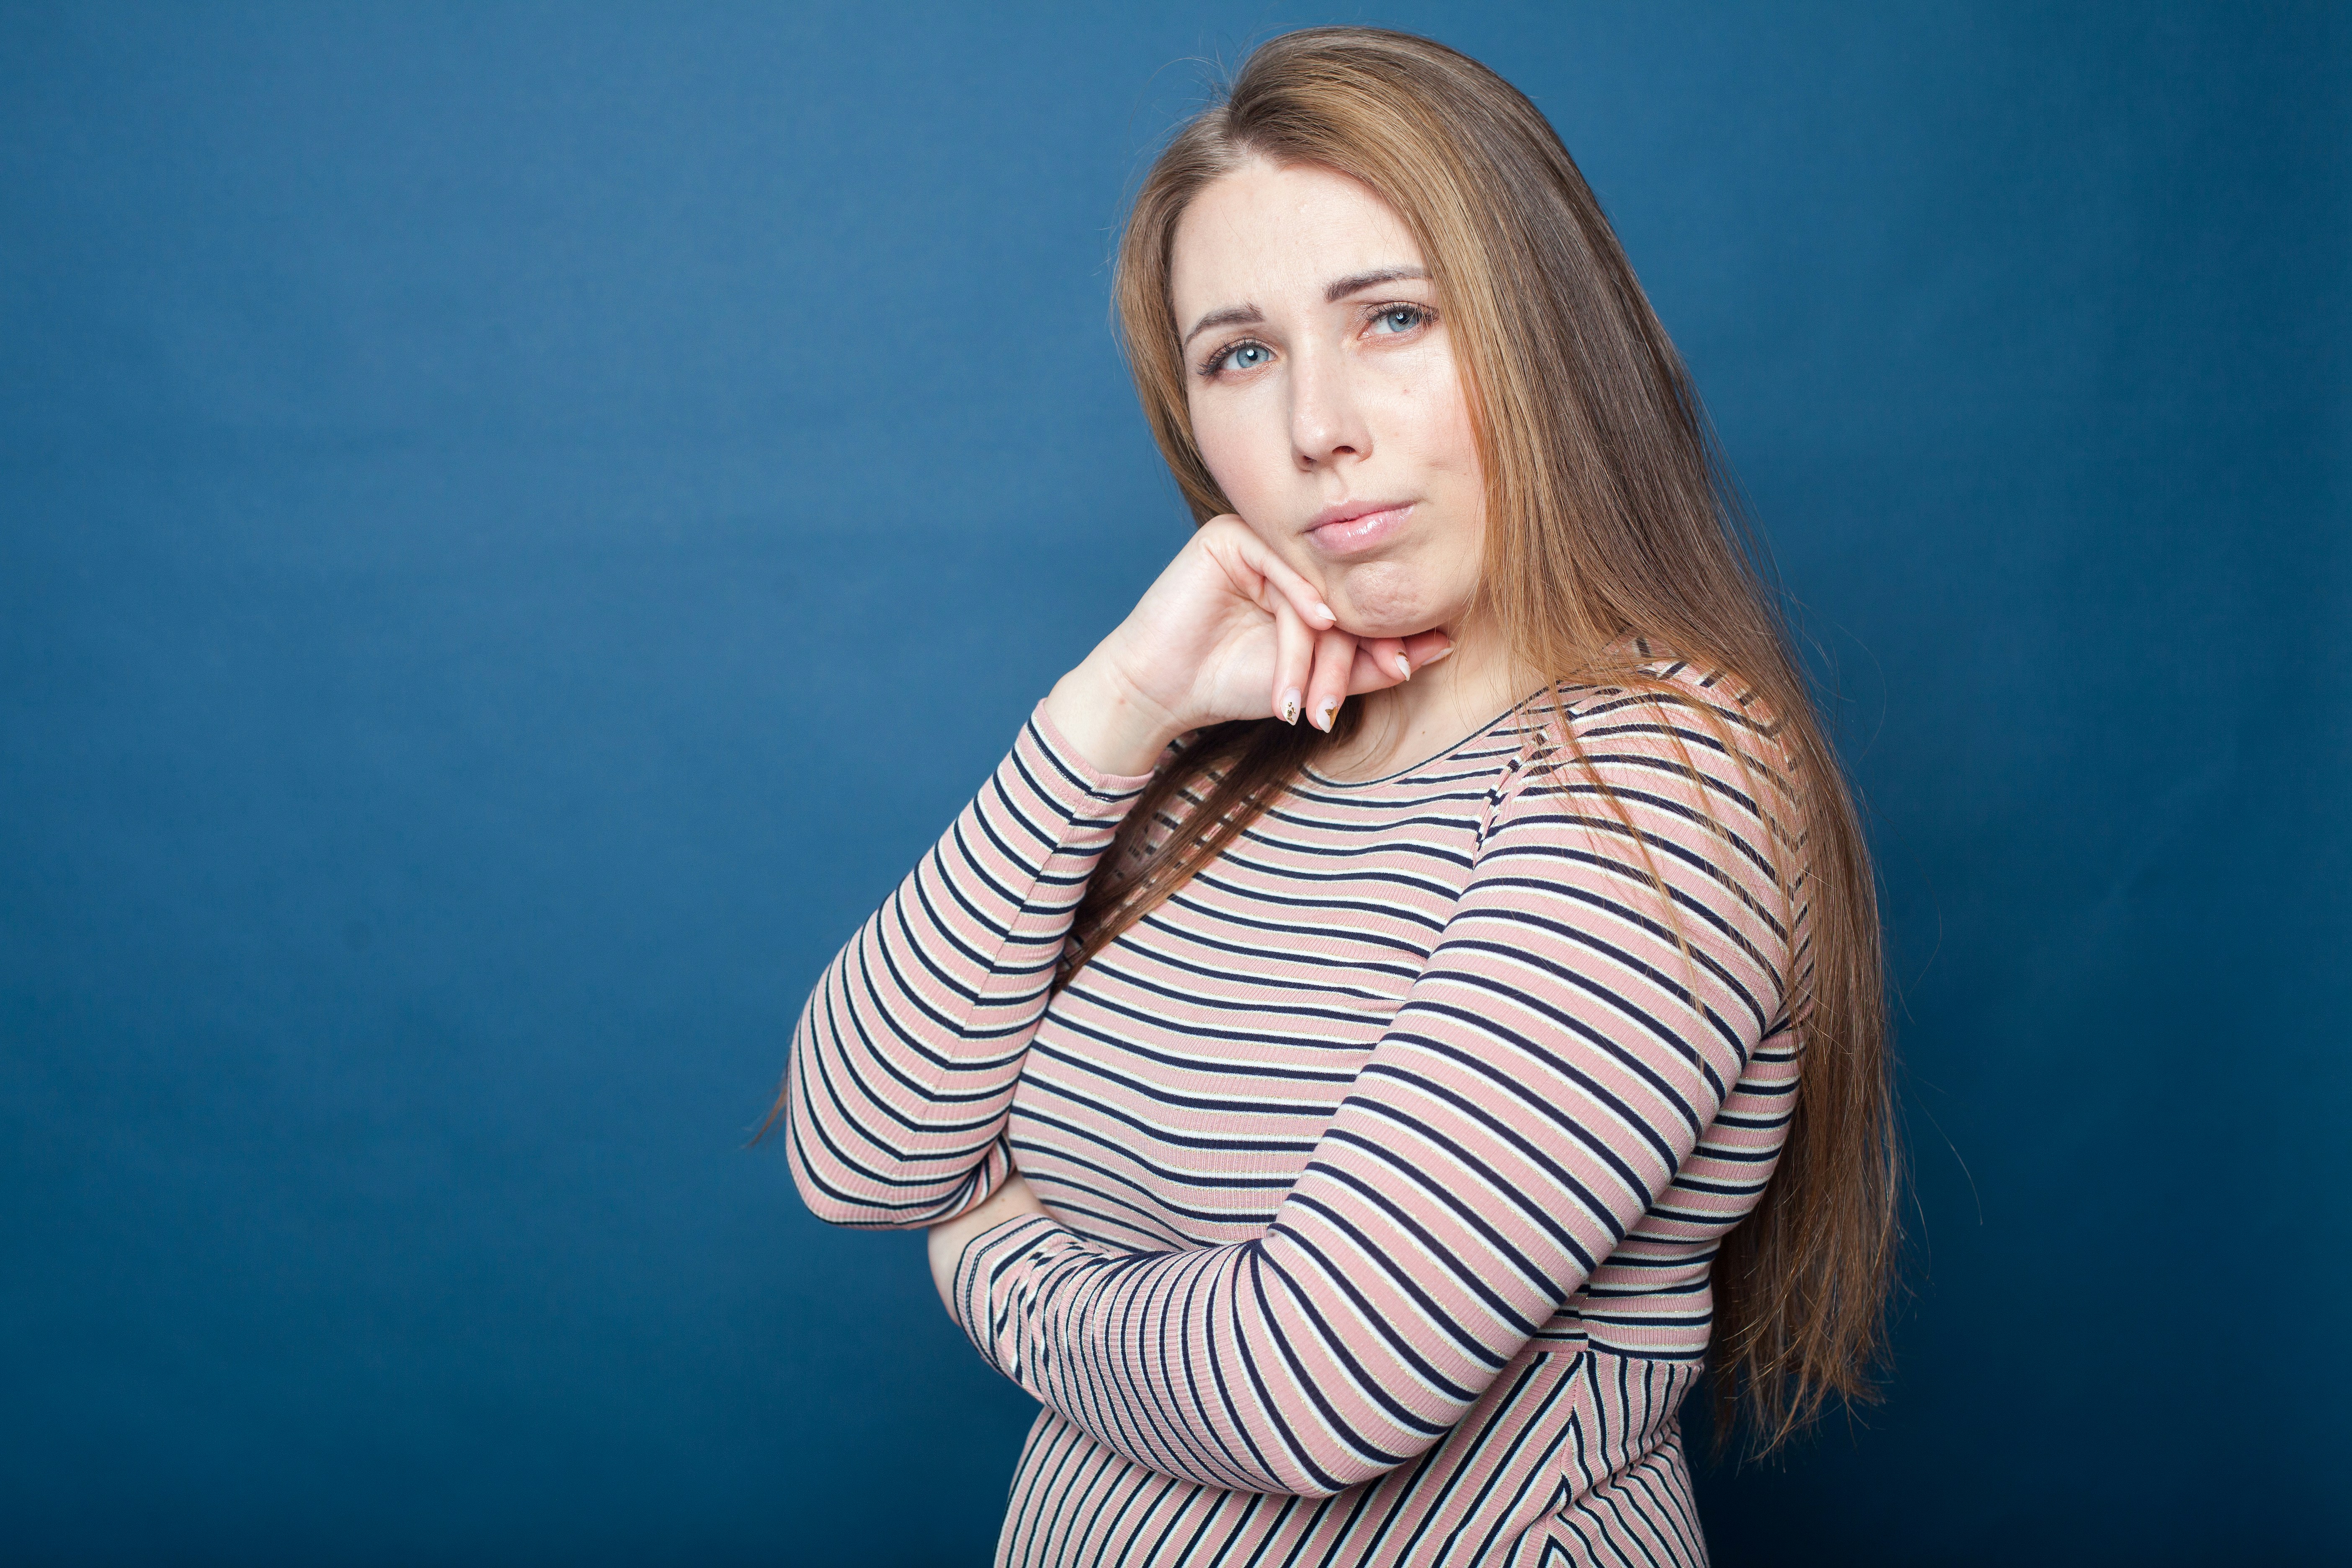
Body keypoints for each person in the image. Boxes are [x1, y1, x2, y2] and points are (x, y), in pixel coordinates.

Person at [770, 26, 1897, 1567]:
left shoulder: (1666, 781)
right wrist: (1109, 720)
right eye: (1241, 354)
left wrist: (992, 1252)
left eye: (1394, 318)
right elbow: (855, 1151)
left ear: (1551, 335)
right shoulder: (1222, 764)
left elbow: (1308, 1389)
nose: (1317, 427)